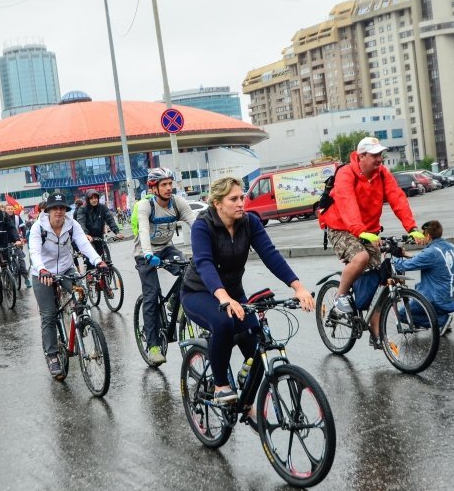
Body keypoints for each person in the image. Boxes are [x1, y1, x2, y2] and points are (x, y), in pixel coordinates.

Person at [182, 177, 314, 404]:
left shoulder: (250, 222)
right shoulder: (203, 226)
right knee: (223, 323)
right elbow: (205, 264)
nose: (241, 202)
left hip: (234, 293)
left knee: (257, 349)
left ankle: (246, 405)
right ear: (217, 203)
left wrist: (298, 286)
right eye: (233, 199)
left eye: (242, 197)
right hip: (199, 292)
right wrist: (224, 298)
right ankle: (220, 385)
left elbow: (270, 255)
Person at [318, 136, 425, 349]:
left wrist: (412, 228)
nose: (380, 159)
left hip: (369, 231)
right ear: (361, 156)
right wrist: (360, 231)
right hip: (341, 226)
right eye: (375, 155)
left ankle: (376, 333)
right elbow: (347, 202)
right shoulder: (346, 173)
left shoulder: (382, 174)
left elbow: (397, 199)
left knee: (381, 280)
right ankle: (340, 299)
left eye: (380, 155)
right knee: (361, 257)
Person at [29, 192, 107, 379]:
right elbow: (34, 252)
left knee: (81, 295)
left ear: (66, 210)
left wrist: (98, 261)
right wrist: (42, 270)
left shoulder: (72, 225)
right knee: (48, 315)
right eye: (54, 208)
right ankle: (53, 355)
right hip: (43, 273)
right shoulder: (38, 228)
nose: (58, 211)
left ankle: (80, 324)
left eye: (62, 208)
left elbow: (84, 245)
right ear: (48, 211)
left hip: (65, 269)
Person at [134, 167, 197, 365]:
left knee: (191, 269)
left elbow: (196, 224)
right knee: (151, 296)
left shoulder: (178, 203)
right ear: (154, 188)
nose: (169, 188)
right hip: (145, 253)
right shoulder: (146, 206)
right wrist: (148, 254)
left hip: (167, 248)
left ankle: (173, 302)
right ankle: (153, 346)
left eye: (170, 184)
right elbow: (144, 230)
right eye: (164, 185)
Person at [392, 220, 454, 335]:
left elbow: (405, 265)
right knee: (418, 298)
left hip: (440, 299)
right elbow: (428, 260)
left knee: (401, 314)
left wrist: (389, 260)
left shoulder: (430, 253)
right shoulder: (449, 246)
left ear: (428, 235)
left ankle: (441, 320)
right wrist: (405, 254)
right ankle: (440, 317)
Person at [77, 189, 124, 265]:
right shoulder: (82, 209)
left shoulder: (103, 207)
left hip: (100, 237)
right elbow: (81, 223)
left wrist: (117, 232)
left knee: (105, 258)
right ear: (87, 199)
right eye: (91, 198)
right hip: (88, 238)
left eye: (96, 198)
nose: (94, 200)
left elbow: (110, 219)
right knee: (91, 258)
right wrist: (86, 234)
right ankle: (89, 275)